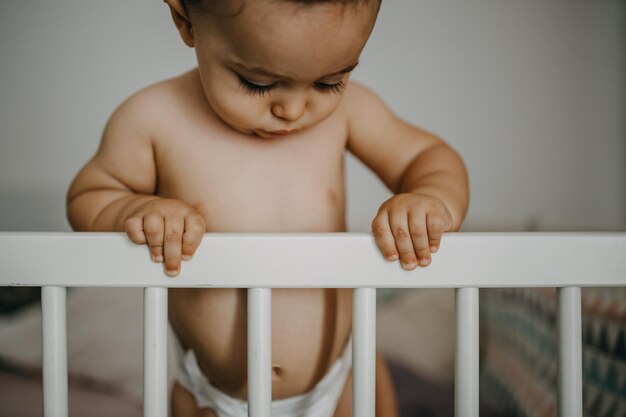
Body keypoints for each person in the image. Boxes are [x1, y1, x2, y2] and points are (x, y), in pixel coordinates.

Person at [66, 0, 469, 415]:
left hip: (339, 384)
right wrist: (136, 210)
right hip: (211, 396)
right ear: (185, 21)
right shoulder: (153, 118)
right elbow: (90, 195)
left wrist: (429, 200)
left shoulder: (350, 112)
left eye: (329, 83)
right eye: (258, 83)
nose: (293, 110)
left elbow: (429, 156)